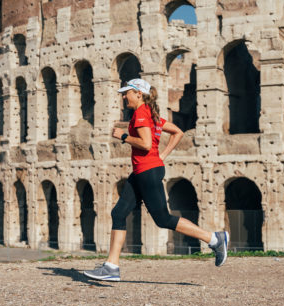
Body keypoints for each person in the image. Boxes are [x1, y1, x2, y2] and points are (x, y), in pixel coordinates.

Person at [83, 79, 229, 281]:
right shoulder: (152, 116)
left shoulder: (141, 114)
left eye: (128, 93)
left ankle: (215, 239)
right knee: (118, 213)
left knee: (163, 219)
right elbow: (177, 132)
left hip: (147, 172)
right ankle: (111, 267)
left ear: (139, 94)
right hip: (143, 171)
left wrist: (123, 136)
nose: (124, 97)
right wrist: (162, 155)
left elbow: (145, 143)